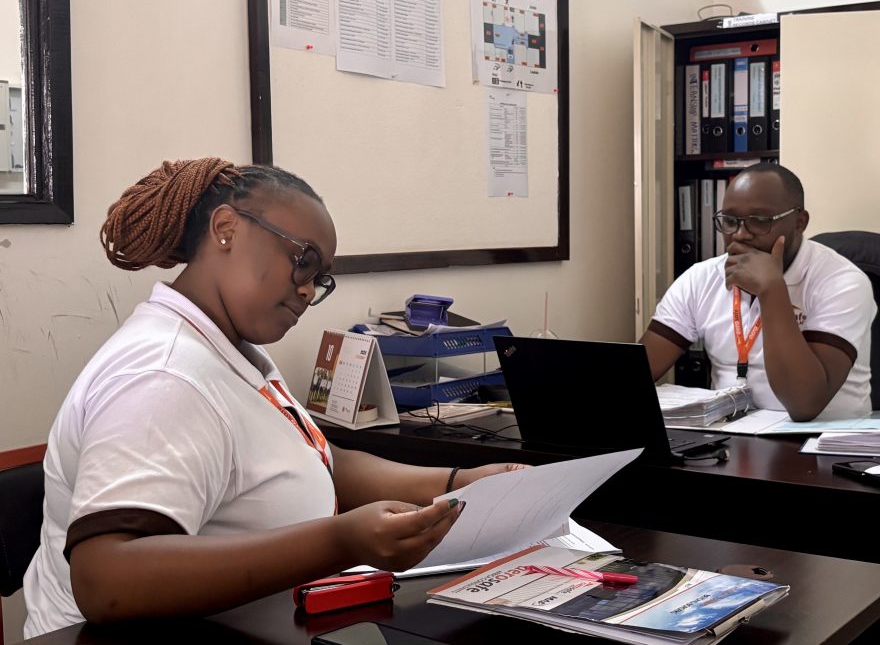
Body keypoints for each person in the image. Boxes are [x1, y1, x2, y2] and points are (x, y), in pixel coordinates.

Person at [23, 158, 525, 637]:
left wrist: (457, 484)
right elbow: (106, 582)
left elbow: (317, 460)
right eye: (302, 261)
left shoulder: (233, 349)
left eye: (319, 278)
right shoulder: (164, 376)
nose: (307, 291)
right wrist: (340, 541)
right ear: (226, 229)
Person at [640, 163, 875, 421]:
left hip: (820, 439)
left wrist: (771, 290)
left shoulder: (842, 281)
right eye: (730, 221)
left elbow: (805, 403)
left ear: (800, 222)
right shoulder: (700, 279)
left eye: (760, 222)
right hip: (728, 436)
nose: (741, 235)